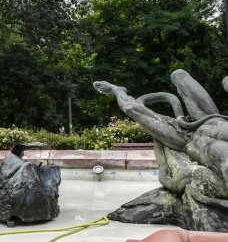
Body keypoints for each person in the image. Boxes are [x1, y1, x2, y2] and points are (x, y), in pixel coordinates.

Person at [94, 70, 228, 186]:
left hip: (194, 135)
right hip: (206, 126)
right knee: (179, 74)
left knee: (133, 108)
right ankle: (117, 90)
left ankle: (117, 90)